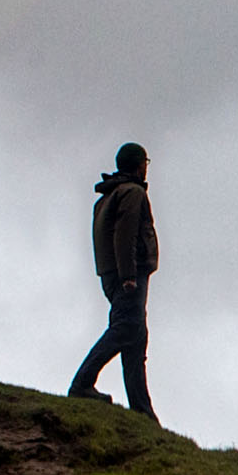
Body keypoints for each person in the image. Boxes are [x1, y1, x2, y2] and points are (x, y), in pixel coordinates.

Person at [69, 142, 156, 418]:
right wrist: (129, 275)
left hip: (112, 275)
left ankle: (142, 411)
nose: (146, 168)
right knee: (125, 329)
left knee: (135, 337)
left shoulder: (107, 196)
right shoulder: (132, 193)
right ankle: (82, 383)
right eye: (145, 162)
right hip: (127, 276)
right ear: (138, 164)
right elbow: (126, 233)